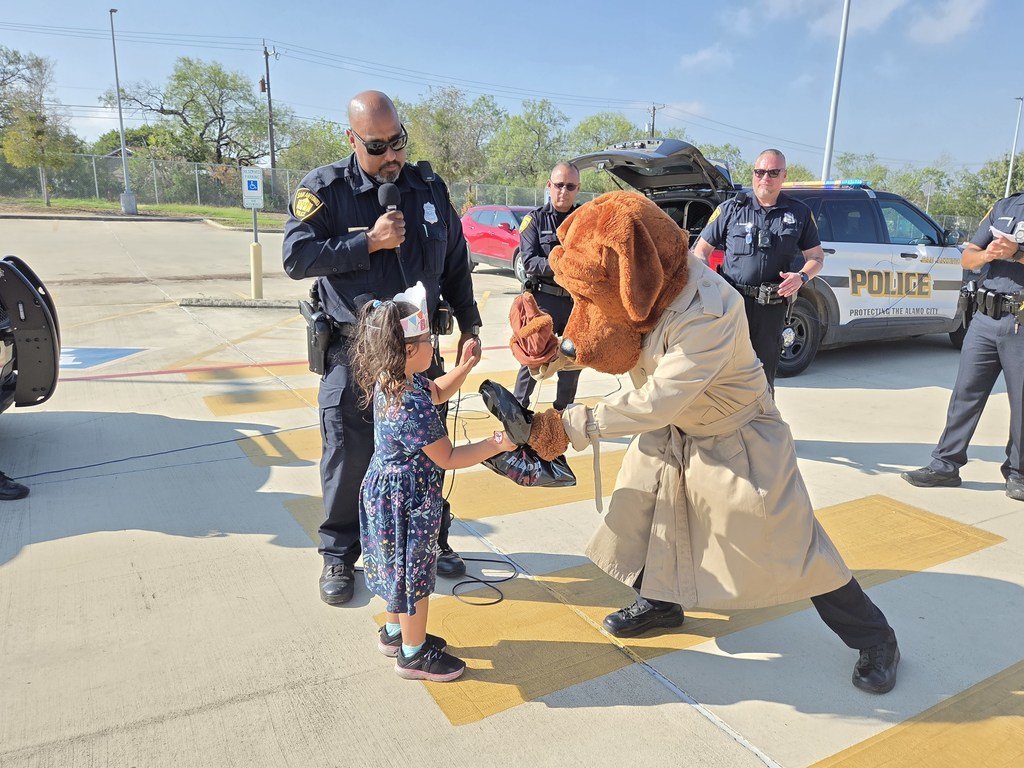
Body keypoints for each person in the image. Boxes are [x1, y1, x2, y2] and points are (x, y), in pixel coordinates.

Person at [523, 191, 900, 694]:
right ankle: (661, 601)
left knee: (794, 544)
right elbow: (606, 337)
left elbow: (658, 400)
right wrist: (550, 353)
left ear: (634, 272)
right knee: (646, 518)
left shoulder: (709, 308)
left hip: (737, 436)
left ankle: (876, 637)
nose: (590, 303)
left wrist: (566, 425)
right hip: (676, 431)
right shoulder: (645, 289)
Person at [283, 91, 482, 605]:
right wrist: (367, 243)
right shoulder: (324, 190)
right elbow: (296, 257)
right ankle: (339, 554)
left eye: (398, 142)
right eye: (377, 146)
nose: (392, 155)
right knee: (349, 454)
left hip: (417, 353)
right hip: (355, 351)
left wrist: (470, 324)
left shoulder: (428, 189)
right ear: (352, 139)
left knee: (424, 453)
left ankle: (430, 539)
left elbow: (455, 262)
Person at [350, 286, 511, 681]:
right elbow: (449, 456)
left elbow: (437, 391)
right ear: (409, 350)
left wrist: (465, 367)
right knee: (414, 577)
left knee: (397, 570)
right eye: (428, 341)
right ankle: (413, 653)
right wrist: (497, 443)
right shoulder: (409, 403)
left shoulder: (397, 380)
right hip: (408, 501)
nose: (433, 347)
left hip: (388, 494)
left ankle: (395, 633)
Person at [902, 192, 1024, 501]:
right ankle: (945, 465)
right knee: (965, 395)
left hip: (1021, 321)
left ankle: (1018, 473)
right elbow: (967, 256)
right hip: (985, 318)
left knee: (1021, 403)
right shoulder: (1006, 206)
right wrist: (988, 255)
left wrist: (1016, 254)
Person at [692, 149, 825, 391]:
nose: (765, 178)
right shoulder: (731, 209)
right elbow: (700, 252)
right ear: (753, 174)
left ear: (784, 175)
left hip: (771, 308)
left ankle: (763, 414)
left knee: (763, 376)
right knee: (725, 373)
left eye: (773, 172)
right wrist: (708, 288)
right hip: (732, 304)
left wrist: (801, 277)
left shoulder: (799, 212)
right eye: (760, 172)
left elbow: (816, 257)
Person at [512, 162, 583, 412]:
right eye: (559, 185)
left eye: (570, 186)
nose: (564, 191)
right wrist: (564, 264)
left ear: (578, 189)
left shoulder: (583, 220)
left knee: (572, 359)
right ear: (549, 185)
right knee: (533, 356)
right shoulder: (534, 220)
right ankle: (518, 412)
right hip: (545, 300)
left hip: (575, 301)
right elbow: (530, 261)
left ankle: (563, 412)